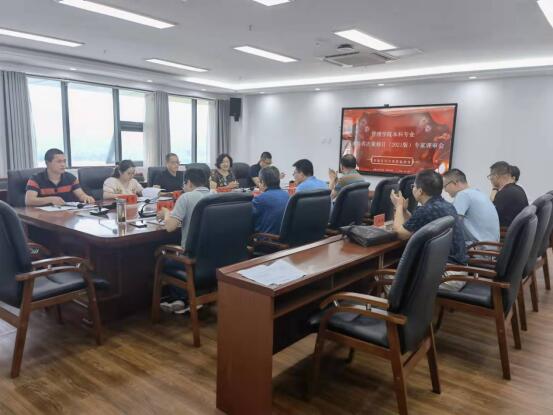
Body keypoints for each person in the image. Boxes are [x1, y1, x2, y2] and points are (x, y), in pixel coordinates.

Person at [158, 168, 211, 314]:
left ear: (189, 182)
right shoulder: (215, 195)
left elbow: (170, 227)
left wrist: (167, 213)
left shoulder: (186, 197)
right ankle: (184, 299)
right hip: (214, 259)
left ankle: (183, 298)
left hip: (193, 259)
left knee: (164, 259)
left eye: (184, 184)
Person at [390, 169, 467, 266]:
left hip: (447, 271)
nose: (413, 189)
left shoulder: (427, 210)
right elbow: (414, 224)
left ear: (420, 191)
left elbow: (400, 234)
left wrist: (398, 206)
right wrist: (404, 210)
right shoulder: (445, 205)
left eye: (414, 186)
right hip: (456, 266)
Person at [443, 168, 500, 245]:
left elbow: (454, 224)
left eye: (445, 186)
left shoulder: (463, 194)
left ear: (455, 183)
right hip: (492, 247)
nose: (445, 190)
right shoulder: (479, 193)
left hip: (477, 248)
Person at [25, 148, 95, 207]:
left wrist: (86, 197)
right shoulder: (35, 179)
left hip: (67, 215)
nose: (63, 165)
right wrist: (50, 199)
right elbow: (29, 201)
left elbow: (81, 195)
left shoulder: (71, 178)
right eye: (59, 162)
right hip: (43, 216)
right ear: (47, 163)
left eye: (64, 161)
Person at [488, 161, 528, 227]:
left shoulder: (503, 194)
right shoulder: (519, 189)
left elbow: (490, 217)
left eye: (490, 175)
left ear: (496, 176)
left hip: (505, 231)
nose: (490, 179)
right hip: (518, 231)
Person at [252, 166, 289, 234]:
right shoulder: (288, 196)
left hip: (267, 238)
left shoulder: (260, 199)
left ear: (262, 182)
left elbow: (250, 220)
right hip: (286, 237)